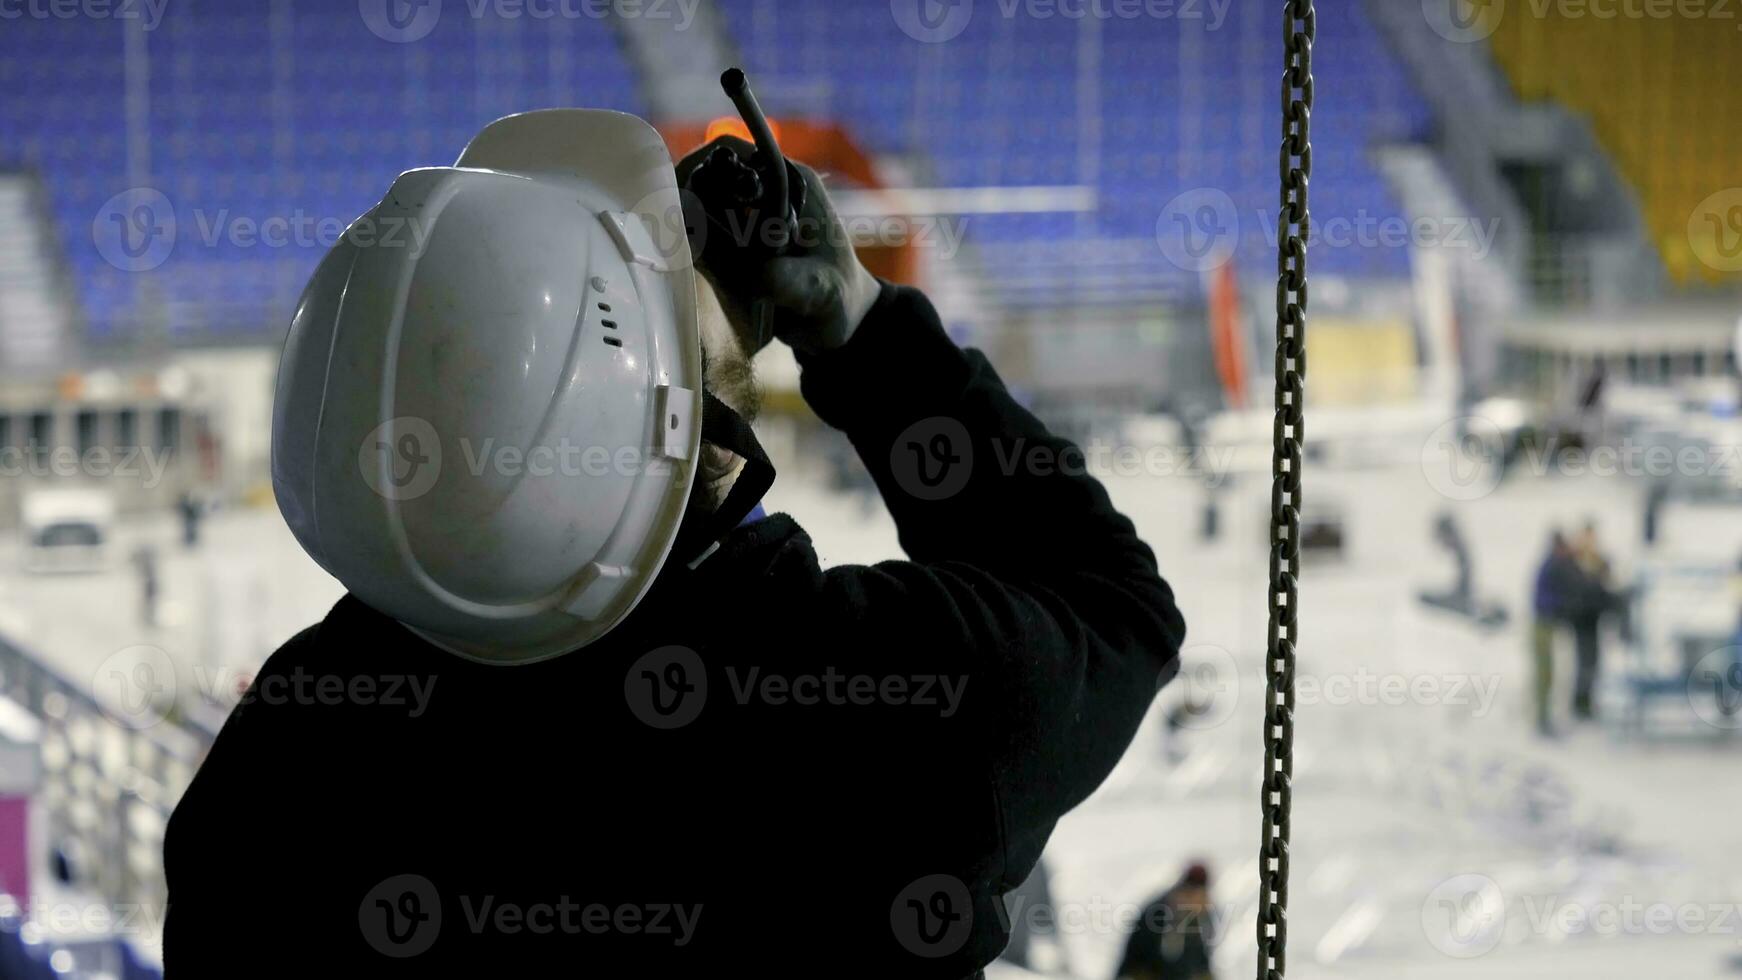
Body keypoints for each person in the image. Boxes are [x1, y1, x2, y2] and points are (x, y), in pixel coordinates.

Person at [163, 111, 1185, 978]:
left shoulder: (274, 775)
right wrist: (861, 331)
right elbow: (1109, 598)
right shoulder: (867, 705)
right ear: (664, 418)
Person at [1116, 862, 1216, 980]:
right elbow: (1133, 960)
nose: (1202, 902)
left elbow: (1201, 962)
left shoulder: (1198, 919)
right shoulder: (1155, 915)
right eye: (1197, 896)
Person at [1529, 530, 1580, 736]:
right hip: (1543, 625)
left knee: (1549, 675)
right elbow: (1543, 600)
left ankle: (1544, 716)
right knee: (1544, 674)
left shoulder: (1556, 565)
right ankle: (1541, 718)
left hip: (1548, 625)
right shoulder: (1550, 567)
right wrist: (1562, 606)